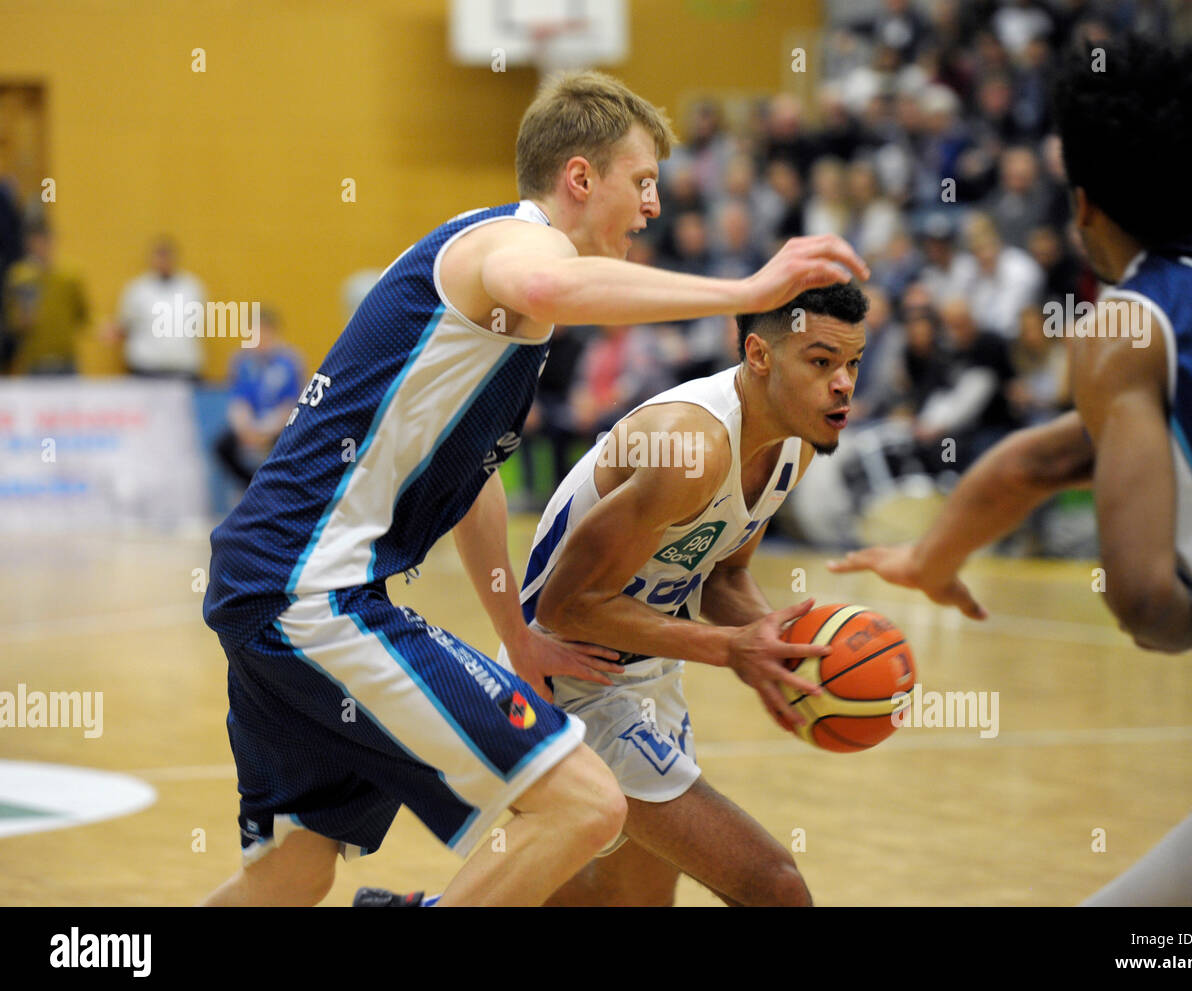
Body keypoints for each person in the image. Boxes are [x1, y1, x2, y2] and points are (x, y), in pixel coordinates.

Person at [199, 69, 868, 907]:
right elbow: (551, 285)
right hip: (312, 591)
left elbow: (473, 482)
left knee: (292, 873)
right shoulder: (513, 247)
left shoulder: (506, 323)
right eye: (644, 182)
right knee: (587, 805)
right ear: (581, 179)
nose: (654, 207)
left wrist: (515, 636)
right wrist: (745, 292)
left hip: (273, 584)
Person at [829, 36, 1192, 906]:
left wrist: (1177, 626)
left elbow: (1142, 597)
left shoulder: (1132, 322)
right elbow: (1050, 455)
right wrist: (929, 561)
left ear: (1084, 206)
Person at [368, 282, 867, 906]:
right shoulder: (689, 449)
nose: (843, 382)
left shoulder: (792, 444)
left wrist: (775, 643)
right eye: (821, 362)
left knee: (620, 902)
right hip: (569, 675)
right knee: (775, 887)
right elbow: (567, 606)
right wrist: (729, 649)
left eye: (853, 363)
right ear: (760, 355)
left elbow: (722, 573)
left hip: (648, 674)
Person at [212, 307, 303, 488]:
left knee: (292, 446)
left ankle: (278, 487)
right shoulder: (242, 361)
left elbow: (291, 404)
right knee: (222, 446)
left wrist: (266, 431)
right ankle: (251, 486)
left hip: (279, 426)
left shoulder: (289, 361)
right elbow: (239, 401)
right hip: (251, 425)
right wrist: (245, 429)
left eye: (263, 332)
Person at [104, 236, 207, 380]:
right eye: (159, 257)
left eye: (167, 257)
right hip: (145, 369)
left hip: (183, 368)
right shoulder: (137, 289)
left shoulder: (192, 287)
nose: (163, 262)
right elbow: (125, 324)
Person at [1, 223, 87, 375]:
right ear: (29, 245)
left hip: (65, 359)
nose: (41, 247)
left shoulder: (70, 276)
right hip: (34, 361)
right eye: (36, 242)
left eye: (45, 241)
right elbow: (10, 321)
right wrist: (22, 320)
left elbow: (83, 315)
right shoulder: (20, 276)